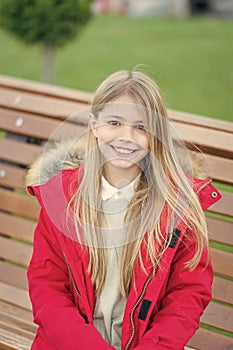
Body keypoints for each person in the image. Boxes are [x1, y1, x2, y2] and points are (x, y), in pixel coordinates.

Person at [26, 70, 221, 350]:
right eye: (114, 123)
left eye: (141, 127)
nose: (126, 137)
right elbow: (47, 288)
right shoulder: (62, 199)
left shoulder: (179, 207)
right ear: (94, 124)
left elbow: (188, 294)